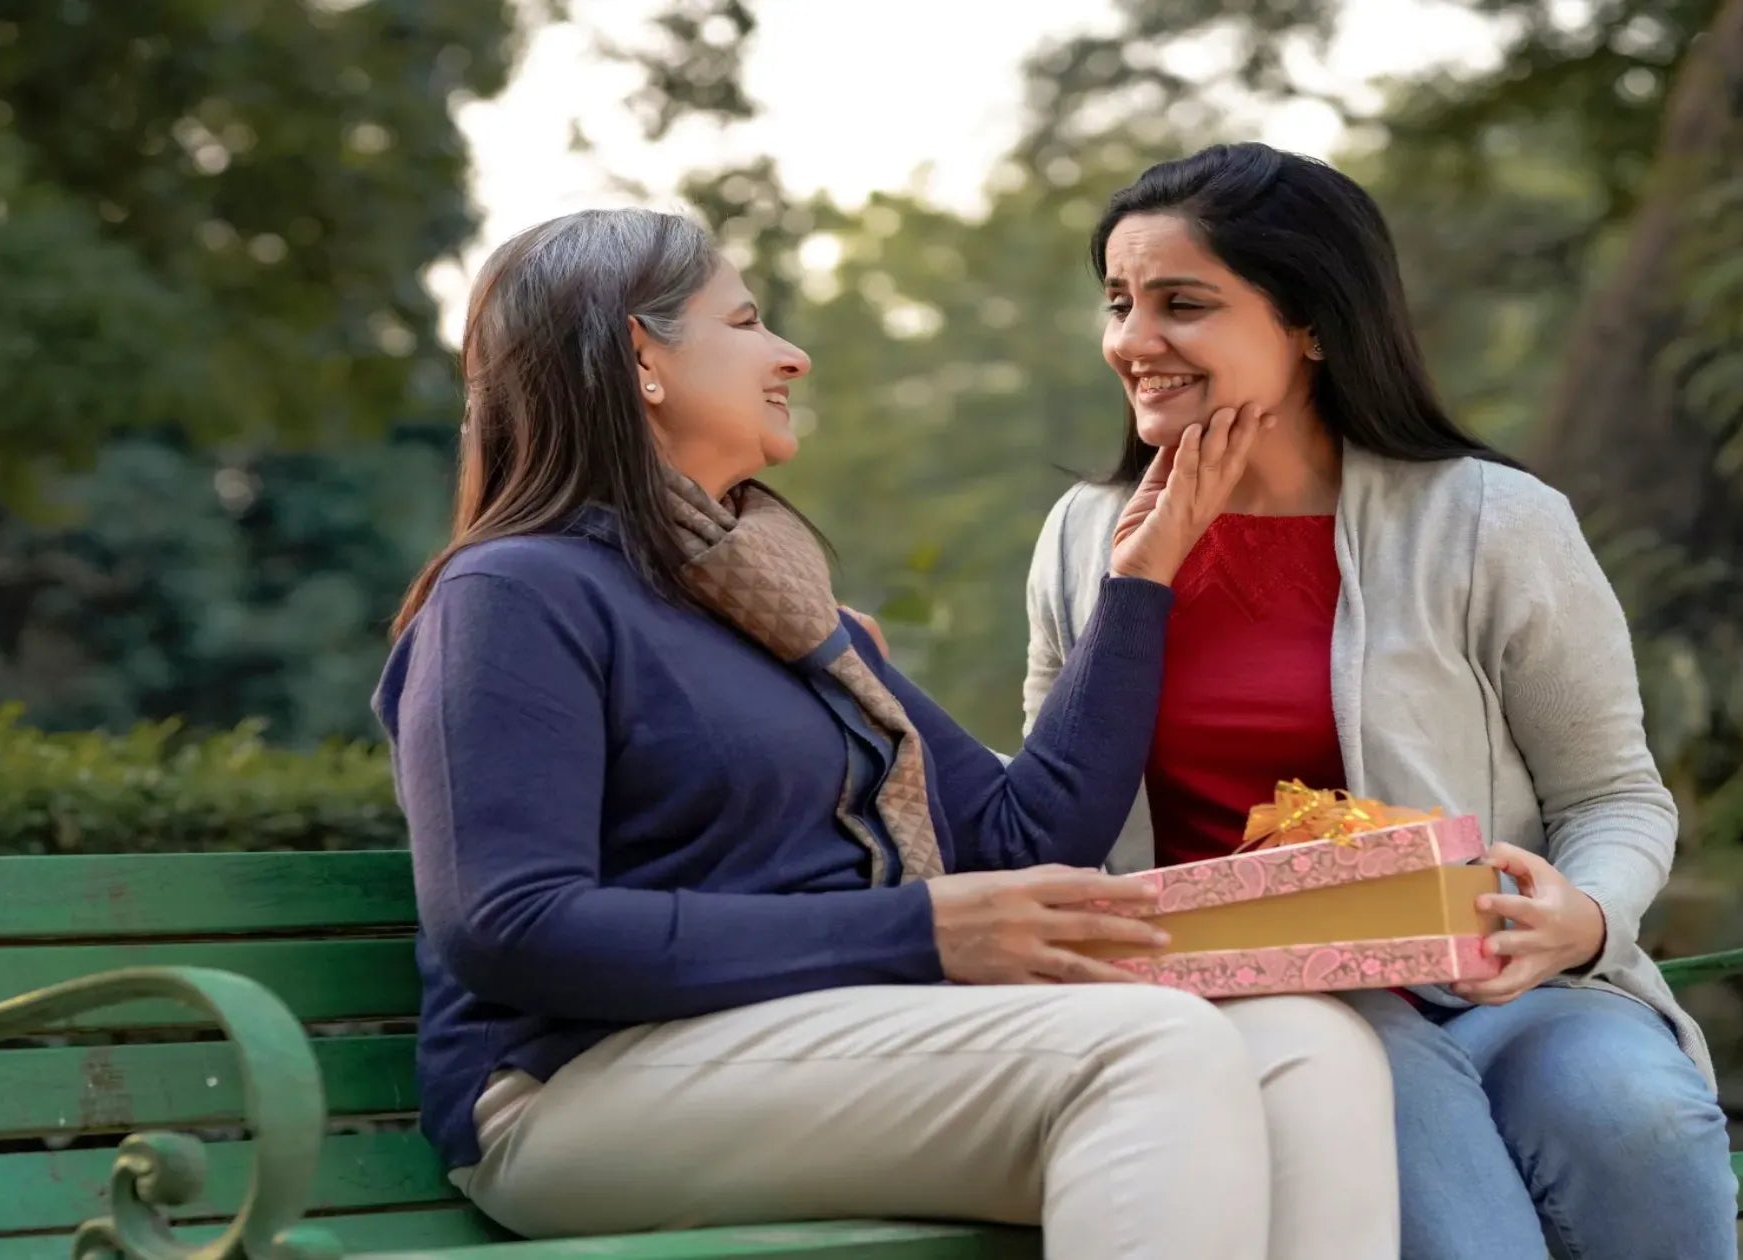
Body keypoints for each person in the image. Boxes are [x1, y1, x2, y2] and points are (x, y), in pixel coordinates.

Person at [374, 206, 1400, 1259]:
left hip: (832, 1037)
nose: (790, 355)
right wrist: (920, 931)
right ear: (643, 356)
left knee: (1306, 1048)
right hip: (579, 1084)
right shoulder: (516, 592)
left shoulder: (771, 601)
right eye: (746, 323)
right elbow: (511, 925)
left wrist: (1139, 581)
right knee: (1149, 1045)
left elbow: (1027, 837)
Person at [1023, 141, 1736, 1259]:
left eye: (1181, 304)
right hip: (1252, 1000)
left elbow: (1612, 794)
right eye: (1119, 303)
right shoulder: (1082, 535)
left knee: (1641, 1122)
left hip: (1504, 982)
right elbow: (1045, 810)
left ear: (1310, 321)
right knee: (1465, 1228)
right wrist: (1135, 584)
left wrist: (1585, 918)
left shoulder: (1491, 519)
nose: (1132, 340)